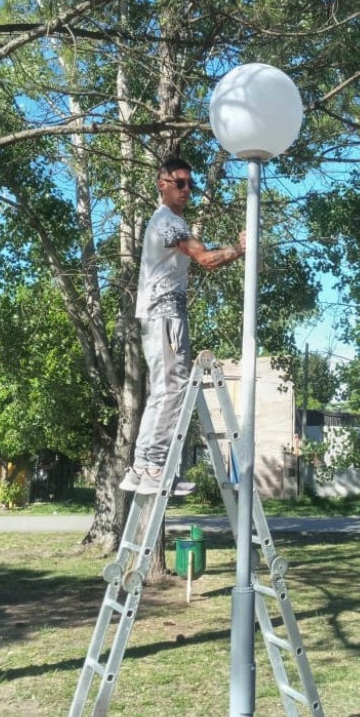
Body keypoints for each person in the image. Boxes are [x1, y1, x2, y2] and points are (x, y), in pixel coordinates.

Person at [120, 157, 246, 495]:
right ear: (162, 185)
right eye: (180, 183)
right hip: (165, 317)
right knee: (172, 390)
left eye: (191, 184)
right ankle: (153, 467)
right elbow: (205, 259)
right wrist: (240, 248)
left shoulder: (168, 222)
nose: (187, 189)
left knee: (164, 389)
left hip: (161, 316)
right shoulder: (168, 222)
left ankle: (140, 467)